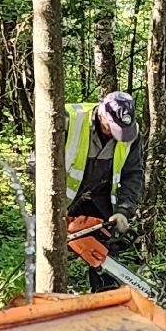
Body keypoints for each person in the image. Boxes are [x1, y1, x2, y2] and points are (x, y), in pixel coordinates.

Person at [64, 91, 145, 292]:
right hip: (62, 198)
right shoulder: (69, 120)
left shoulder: (130, 132)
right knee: (48, 255)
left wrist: (124, 210)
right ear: (101, 115)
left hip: (100, 199)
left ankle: (106, 296)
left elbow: (133, 174)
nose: (116, 135)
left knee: (103, 253)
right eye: (112, 128)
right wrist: (51, 207)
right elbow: (38, 166)